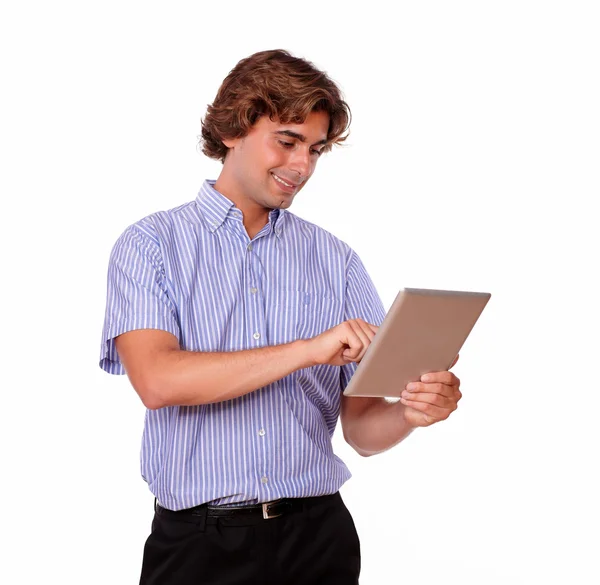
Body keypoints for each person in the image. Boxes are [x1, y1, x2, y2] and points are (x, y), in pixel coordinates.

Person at [99, 49, 462, 585]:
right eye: (287, 141)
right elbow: (157, 380)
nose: (302, 167)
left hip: (318, 539)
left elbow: (362, 428)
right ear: (231, 131)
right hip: (200, 547)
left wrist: (412, 411)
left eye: (315, 150)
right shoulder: (151, 246)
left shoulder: (334, 260)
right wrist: (308, 350)